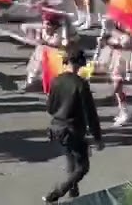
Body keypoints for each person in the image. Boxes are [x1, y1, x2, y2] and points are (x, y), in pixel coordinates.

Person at [42, 48, 103, 204]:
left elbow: (50, 108)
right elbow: (90, 113)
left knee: (71, 160)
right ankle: (56, 193)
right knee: (82, 167)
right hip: (73, 130)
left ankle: (73, 194)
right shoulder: (81, 84)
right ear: (79, 63)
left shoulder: (56, 80)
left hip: (57, 129)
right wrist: (97, 137)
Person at [22, 12, 73, 89]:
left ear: (55, 25)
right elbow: (24, 26)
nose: (45, 26)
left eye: (48, 24)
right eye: (44, 23)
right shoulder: (44, 29)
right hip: (48, 55)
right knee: (39, 51)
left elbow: (64, 44)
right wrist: (36, 37)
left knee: (42, 50)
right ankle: (32, 79)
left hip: (60, 57)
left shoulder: (60, 33)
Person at [95, 23, 132, 126]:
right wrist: (102, 41)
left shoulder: (128, 33)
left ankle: (125, 112)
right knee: (117, 90)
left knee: (117, 87)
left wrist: (108, 41)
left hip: (124, 62)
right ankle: (123, 110)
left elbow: (124, 44)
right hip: (115, 61)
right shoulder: (113, 32)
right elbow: (108, 45)